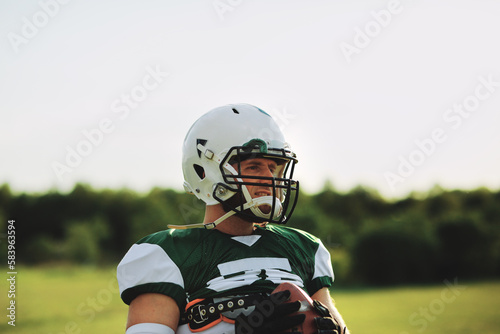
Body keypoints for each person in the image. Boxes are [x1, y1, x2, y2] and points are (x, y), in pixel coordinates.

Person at [117, 104, 349, 334]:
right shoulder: (169, 254)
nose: (270, 179)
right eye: (254, 166)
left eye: (273, 167)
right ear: (207, 172)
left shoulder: (303, 248)